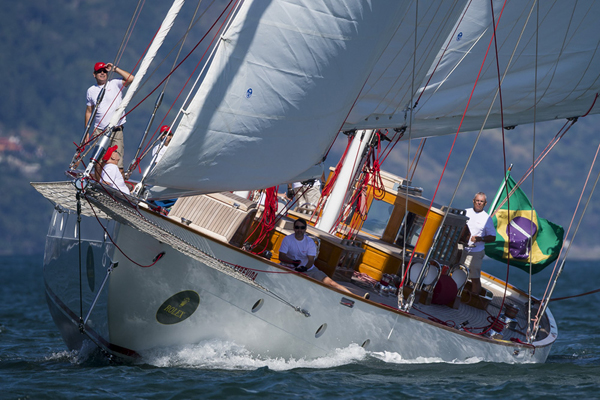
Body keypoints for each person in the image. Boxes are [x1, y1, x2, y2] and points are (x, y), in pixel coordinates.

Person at [279, 218, 353, 294]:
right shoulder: (287, 239)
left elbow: (311, 260)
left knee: (331, 282)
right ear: (294, 228)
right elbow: (281, 256)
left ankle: (354, 296)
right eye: (297, 227)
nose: (299, 230)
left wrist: (304, 268)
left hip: (308, 270)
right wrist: (292, 262)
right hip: (288, 267)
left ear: (305, 229)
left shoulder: (310, 242)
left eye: (302, 228)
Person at [85, 62, 134, 170]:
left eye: (104, 71)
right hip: (99, 130)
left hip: (116, 130)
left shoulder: (115, 83)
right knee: (98, 161)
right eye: (99, 72)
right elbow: (89, 111)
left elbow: (131, 78)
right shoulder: (91, 91)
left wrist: (115, 69)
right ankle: (98, 184)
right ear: (94, 74)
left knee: (118, 162)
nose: (102, 73)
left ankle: (119, 184)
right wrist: (86, 132)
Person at [460, 192, 496, 296]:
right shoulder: (466, 212)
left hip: (476, 252)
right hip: (462, 248)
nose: (479, 203)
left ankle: (474, 297)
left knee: (474, 277)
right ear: (473, 201)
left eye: (481, 201)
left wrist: (479, 238)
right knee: (455, 270)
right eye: (477, 201)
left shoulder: (487, 218)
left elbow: (492, 237)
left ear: (485, 203)